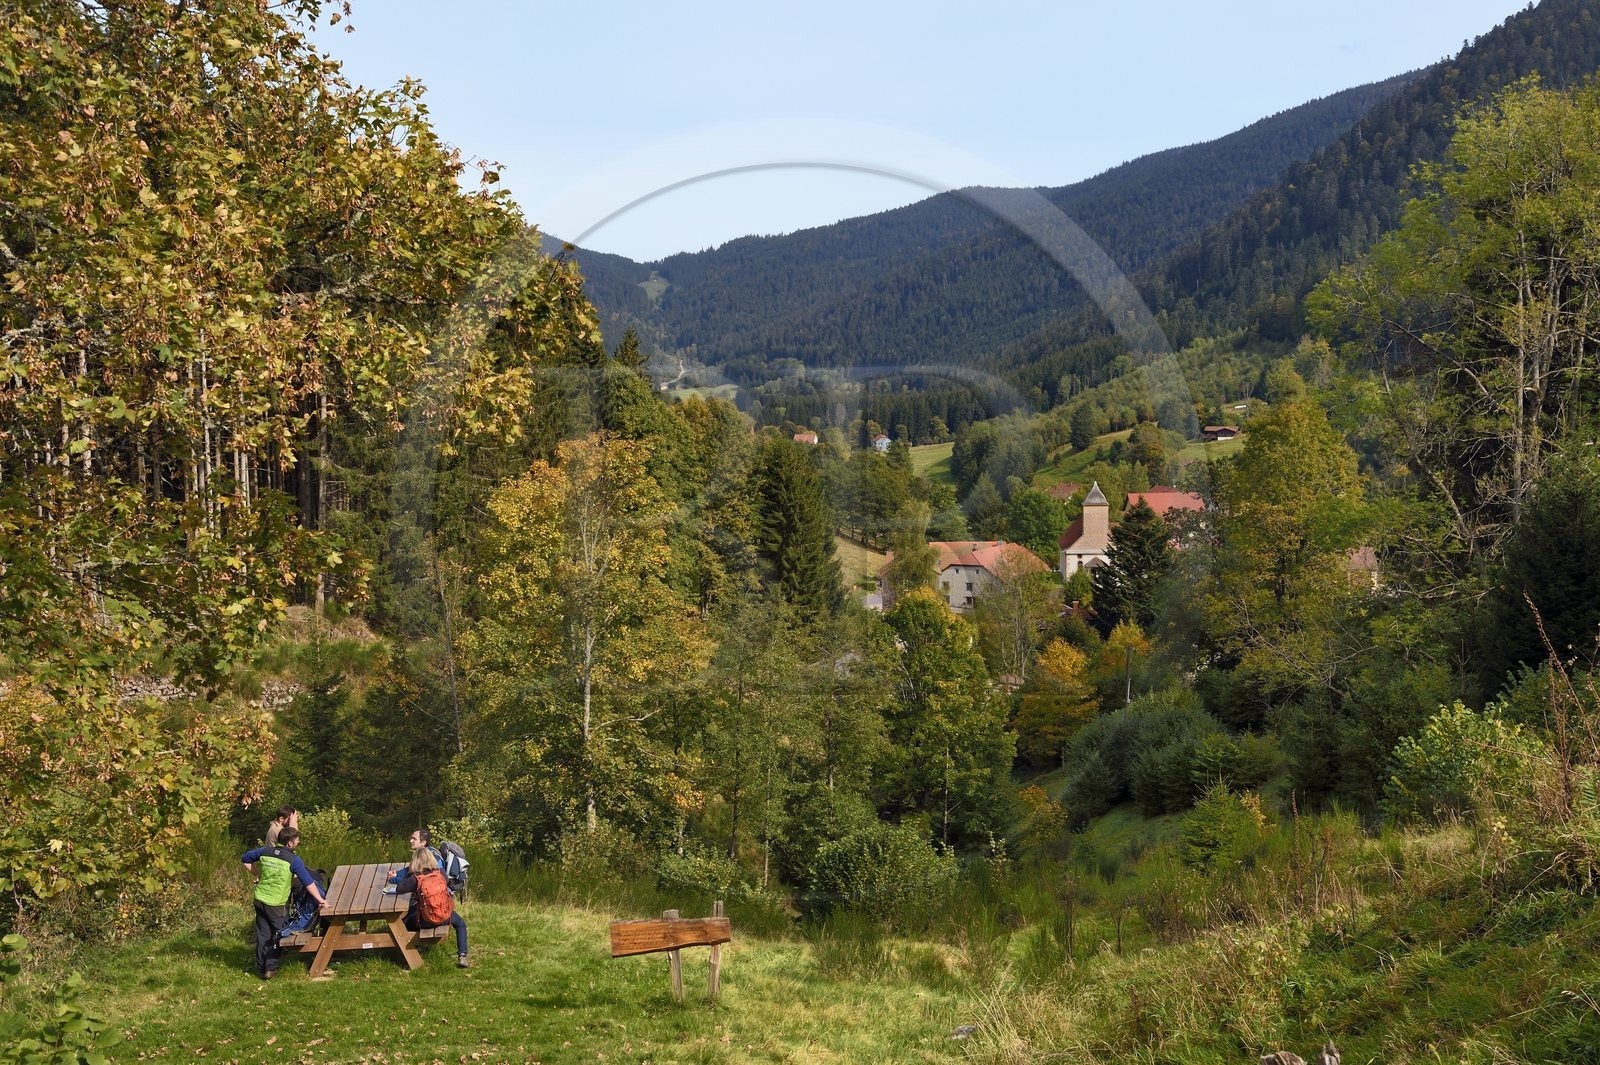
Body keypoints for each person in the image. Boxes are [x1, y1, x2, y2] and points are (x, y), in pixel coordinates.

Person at [241, 828, 325, 979]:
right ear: (290, 843)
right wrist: (320, 900)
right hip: (276, 903)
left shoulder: (265, 851)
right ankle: (270, 969)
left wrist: (257, 874)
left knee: (262, 933)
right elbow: (308, 883)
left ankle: (260, 967)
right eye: (297, 840)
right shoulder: (294, 860)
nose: (298, 842)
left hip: (259, 899)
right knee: (279, 935)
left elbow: (245, 858)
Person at [390, 846, 470, 968]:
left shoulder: (415, 878)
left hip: (426, 920)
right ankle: (462, 955)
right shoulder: (441, 873)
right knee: (461, 924)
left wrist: (406, 875)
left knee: (403, 922)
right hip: (445, 916)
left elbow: (400, 888)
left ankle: (410, 954)